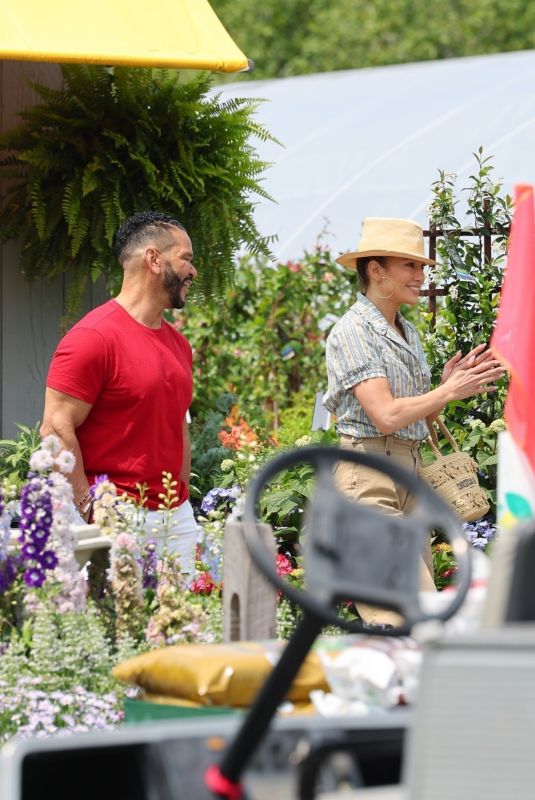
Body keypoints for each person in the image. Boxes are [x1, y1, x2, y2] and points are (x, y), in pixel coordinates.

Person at [323, 217, 504, 621]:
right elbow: (385, 416)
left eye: (420, 267)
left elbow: (415, 421)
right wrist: (447, 391)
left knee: (416, 615)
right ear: (375, 270)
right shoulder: (353, 331)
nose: (421, 275)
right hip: (367, 478)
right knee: (405, 614)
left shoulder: (408, 332)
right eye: (410, 266)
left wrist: (446, 386)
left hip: (409, 474)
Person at [40, 211, 199, 573]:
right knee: (119, 628)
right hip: (116, 515)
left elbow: (178, 423)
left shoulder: (179, 345)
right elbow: (54, 429)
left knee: (190, 626)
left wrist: (181, 500)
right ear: (154, 260)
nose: (193, 271)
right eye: (186, 259)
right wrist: (90, 513)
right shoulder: (92, 339)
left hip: (177, 519)